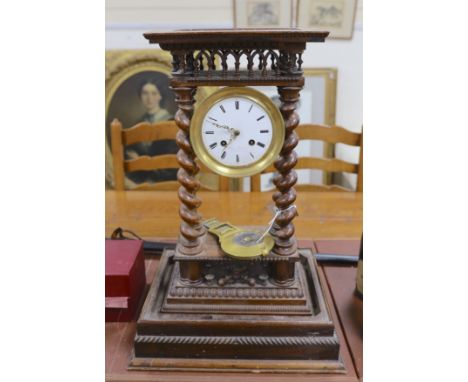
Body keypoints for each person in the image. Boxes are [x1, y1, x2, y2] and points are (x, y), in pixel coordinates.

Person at [125, 79, 178, 185]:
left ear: (160, 96)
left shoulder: (172, 123)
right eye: (145, 93)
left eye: (154, 93)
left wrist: (141, 162)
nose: (149, 98)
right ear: (140, 96)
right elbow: (129, 153)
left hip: (167, 181)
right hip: (142, 181)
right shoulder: (137, 125)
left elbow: (173, 160)